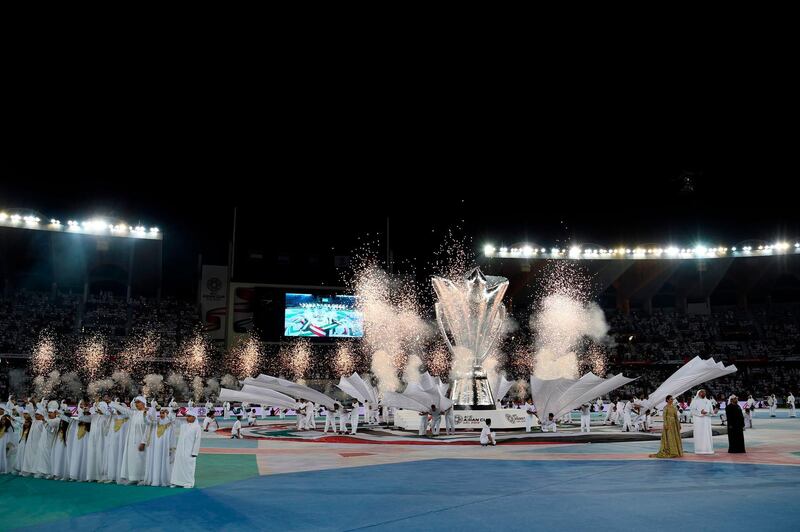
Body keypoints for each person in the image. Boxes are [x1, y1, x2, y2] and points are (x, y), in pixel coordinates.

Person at [112, 396, 149, 485]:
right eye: (135, 402)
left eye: (138, 402)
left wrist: (143, 442)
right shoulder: (134, 414)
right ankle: (133, 478)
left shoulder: (146, 413)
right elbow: (123, 410)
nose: (136, 404)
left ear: (143, 403)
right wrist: (112, 404)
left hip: (141, 441)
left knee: (141, 459)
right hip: (131, 441)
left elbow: (148, 429)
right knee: (132, 459)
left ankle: (142, 478)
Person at [170, 408, 202, 488]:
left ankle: (188, 482)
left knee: (188, 467)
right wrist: (174, 413)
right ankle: (176, 481)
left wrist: (195, 452)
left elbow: (197, 441)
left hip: (190, 451)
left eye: (189, 416)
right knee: (178, 466)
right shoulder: (183, 426)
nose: (187, 418)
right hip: (180, 450)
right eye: (187, 416)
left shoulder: (197, 427)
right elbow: (173, 421)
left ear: (194, 417)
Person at [144, 406, 174, 486]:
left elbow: (171, 437)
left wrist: (170, 448)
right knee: (156, 461)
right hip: (155, 448)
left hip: (164, 448)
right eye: (160, 413)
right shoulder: (156, 422)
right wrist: (145, 414)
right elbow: (147, 422)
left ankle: (163, 480)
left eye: (163, 413)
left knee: (164, 462)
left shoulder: (169, 424)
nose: (161, 414)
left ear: (166, 414)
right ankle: (155, 480)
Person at [690, 389, 714, 455]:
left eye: (704, 392)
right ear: (699, 393)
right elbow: (692, 411)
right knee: (699, 434)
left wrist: (707, 413)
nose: (703, 393)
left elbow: (712, 412)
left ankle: (708, 450)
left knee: (707, 435)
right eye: (702, 392)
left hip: (707, 422)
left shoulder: (708, 401)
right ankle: (699, 450)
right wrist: (700, 413)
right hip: (698, 422)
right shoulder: (694, 402)